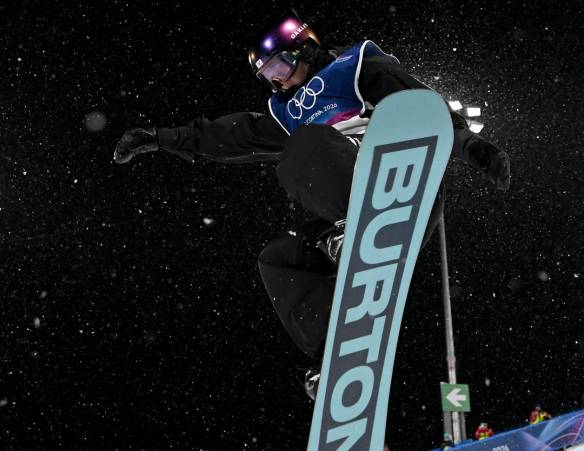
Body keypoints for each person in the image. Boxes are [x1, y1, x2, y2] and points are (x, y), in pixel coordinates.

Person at [114, 13, 510, 400]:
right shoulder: (286, 113)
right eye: (268, 76)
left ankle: (360, 224)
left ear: (304, 47)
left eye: (279, 67)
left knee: (305, 143)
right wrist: (160, 138)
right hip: (355, 211)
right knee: (280, 260)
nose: (278, 80)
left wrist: (473, 148)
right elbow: (228, 135)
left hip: (403, 184)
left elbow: (420, 103)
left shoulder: (353, 67)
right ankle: (334, 353)